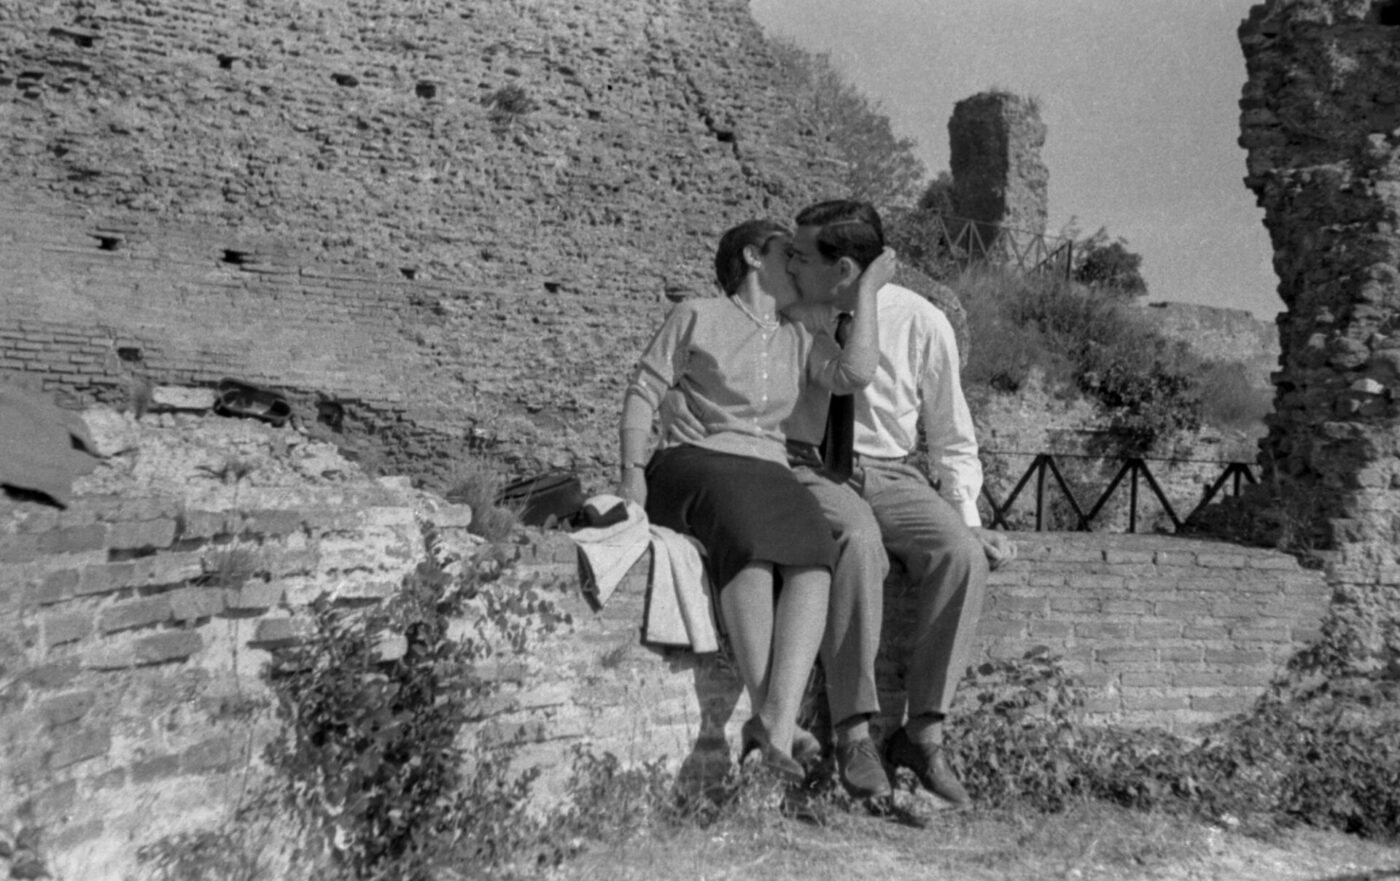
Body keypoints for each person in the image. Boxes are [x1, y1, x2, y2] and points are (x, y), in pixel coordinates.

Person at [669, 200, 1015, 806]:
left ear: (847, 268)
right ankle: (854, 730)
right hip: (808, 464)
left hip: (893, 471)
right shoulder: (790, 312)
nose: (793, 262)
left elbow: (952, 432)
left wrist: (967, 519)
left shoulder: (921, 320)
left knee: (962, 556)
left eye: (804, 255)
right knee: (856, 540)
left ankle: (925, 733)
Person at [617, 218, 894, 781]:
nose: (796, 265)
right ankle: (778, 725)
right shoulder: (697, 313)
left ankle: (772, 719)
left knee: (815, 559)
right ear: (750, 257)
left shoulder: (799, 333)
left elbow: (856, 372)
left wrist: (866, 292)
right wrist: (631, 473)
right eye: (785, 254)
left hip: (768, 470)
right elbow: (644, 390)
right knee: (751, 543)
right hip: (696, 461)